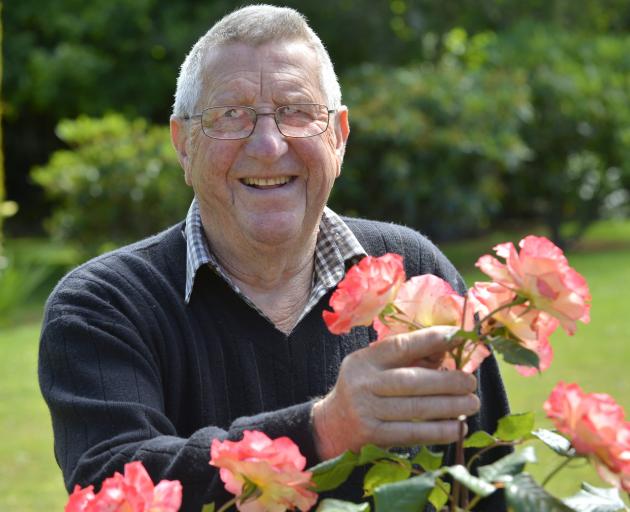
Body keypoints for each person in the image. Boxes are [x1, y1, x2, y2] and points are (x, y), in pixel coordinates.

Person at [39, 5, 510, 511]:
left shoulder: (413, 271)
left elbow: (484, 481)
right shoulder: (102, 306)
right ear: (183, 145)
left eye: (297, 111)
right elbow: (112, 484)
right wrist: (324, 429)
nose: (268, 145)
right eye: (231, 116)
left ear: (339, 135)